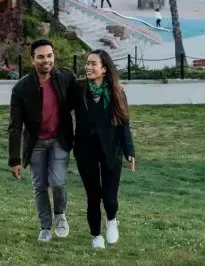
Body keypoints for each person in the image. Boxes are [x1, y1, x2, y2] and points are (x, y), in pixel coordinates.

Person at [8, 39, 77, 243]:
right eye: (41, 57)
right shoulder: (21, 88)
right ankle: (45, 227)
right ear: (32, 60)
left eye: (49, 56)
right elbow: (15, 126)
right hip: (36, 142)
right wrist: (14, 159)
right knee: (40, 186)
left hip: (59, 139)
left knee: (57, 182)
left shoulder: (65, 77)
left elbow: (83, 94)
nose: (46, 60)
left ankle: (60, 215)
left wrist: (109, 85)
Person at [72, 50, 135, 249]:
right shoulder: (79, 88)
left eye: (93, 64)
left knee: (109, 196)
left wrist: (129, 150)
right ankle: (95, 235)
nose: (88, 67)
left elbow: (124, 123)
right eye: (87, 63)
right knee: (93, 195)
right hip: (85, 150)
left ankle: (111, 220)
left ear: (104, 69)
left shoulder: (116, 92)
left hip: (111, 149)